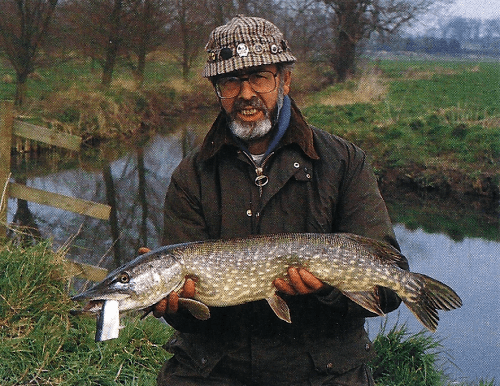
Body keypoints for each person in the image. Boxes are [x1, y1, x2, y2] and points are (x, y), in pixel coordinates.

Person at [154, 15, 409, 386]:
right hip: (215, 369)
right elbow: (185, 314)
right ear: (216, 90)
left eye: (259, 77)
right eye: (230, 81)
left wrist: (324, 291)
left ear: (284, 80)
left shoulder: (344, 162)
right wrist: (174, 306)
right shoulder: (192, 175)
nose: (245, 94)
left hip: (323, 371)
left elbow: (387, 290)